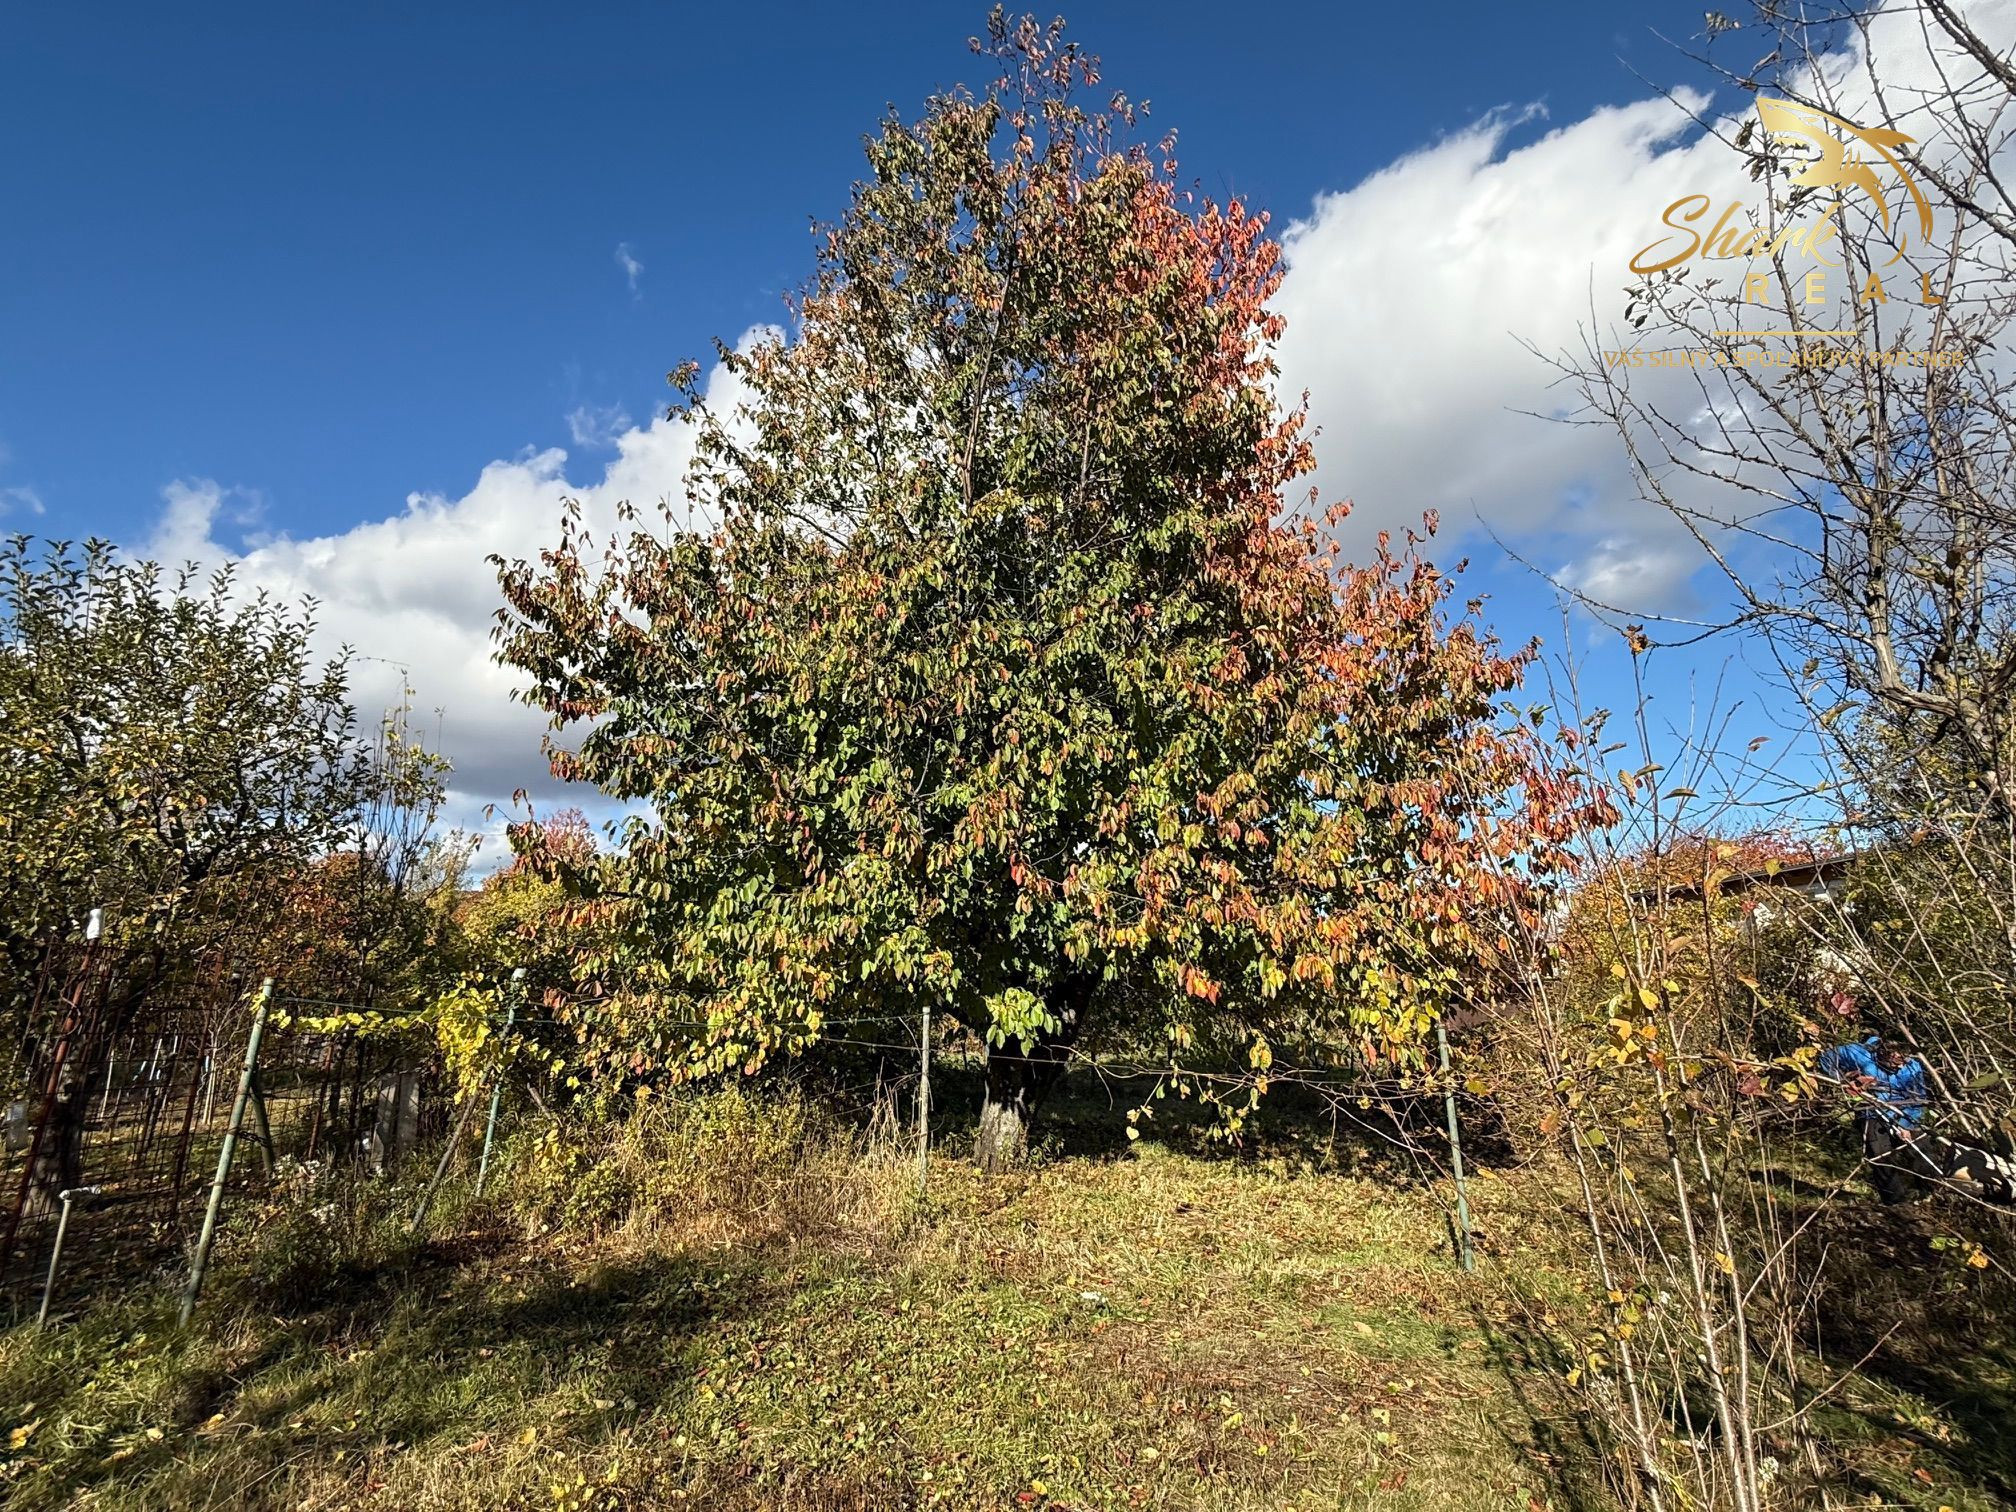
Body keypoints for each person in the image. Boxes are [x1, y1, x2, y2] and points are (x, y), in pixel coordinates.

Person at [1819, 1035, 2014, 1205]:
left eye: (1902, 1060)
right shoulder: (1858, 1053)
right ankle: (1894, 1202)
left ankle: (1931, 1194)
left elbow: (1919, 1097)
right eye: (1895, 1061)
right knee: (1880, 1157)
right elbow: (1826, 1058)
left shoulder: (1912, 1066)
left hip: (1905, 1112)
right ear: (1884, 1051)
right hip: (1871, 1113)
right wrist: (1844, 1080)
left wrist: (1906, 1125)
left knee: (1922, 1152)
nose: (1900, 1065)